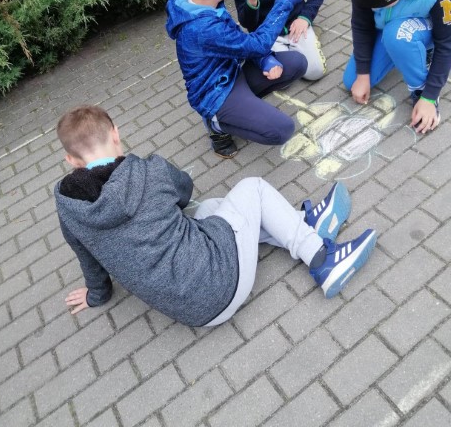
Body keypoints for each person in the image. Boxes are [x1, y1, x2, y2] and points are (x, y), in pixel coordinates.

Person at [55, 105, 378, 325]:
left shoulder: (69, 205)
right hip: (221, 282)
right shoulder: (149, 171)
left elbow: (87, 258)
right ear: (115, 134)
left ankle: (303, 225)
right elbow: (184, 191)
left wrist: (97, 295)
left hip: (192, 314)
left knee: (209, 210)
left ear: (72, 161)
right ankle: (323, 260)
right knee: (253, 188)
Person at [166, 0, 308, 159]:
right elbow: (257, 44)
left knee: (297, 63)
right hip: (216, 93)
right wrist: (287, 1)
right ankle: (217, 125)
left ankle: (243, 109)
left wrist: (264, 60)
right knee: (282, 130)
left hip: (231, 72)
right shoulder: (203, 27)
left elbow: (239, 42)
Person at [343, 0, 451, 134]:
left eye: (379, 4)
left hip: (433, 25)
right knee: (352, 81)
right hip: (393, 24)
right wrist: (362, 74)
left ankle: (420, 87)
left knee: (398, 35)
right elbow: (361, 24)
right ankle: (405, 51)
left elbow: (447, 43)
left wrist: (429, 96)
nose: (373, 8)